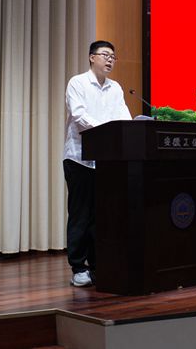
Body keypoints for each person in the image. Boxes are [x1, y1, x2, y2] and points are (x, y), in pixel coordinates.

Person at [63, 40, 132, 287]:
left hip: (106, 161)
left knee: (102, 216)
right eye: (105, 55)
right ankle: (78, 267)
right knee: (81, 214)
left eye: (113, 56)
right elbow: (79, 116)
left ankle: (98, 265)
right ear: (92, 57)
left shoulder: (116, 88)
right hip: (79, 158)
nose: (110, 60)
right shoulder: (78, 83)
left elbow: (123, 117)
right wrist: (108, 131)